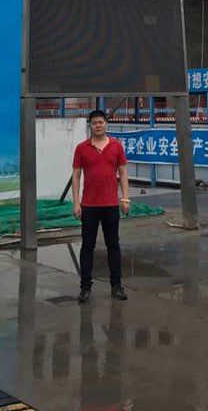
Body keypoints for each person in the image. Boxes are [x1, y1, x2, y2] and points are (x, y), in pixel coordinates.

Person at [72, 109, 130, 303]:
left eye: (100, 122)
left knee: (113, 245)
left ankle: (117, 286)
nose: (97, 125)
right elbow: (76, 176)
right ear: (90, 125)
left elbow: (123, 173)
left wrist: (125, 199)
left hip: (111, 204)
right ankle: (85, 287)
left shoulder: (116, 146)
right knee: (87, 246)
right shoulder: (82, 148)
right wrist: (76, 202)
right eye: (94, 123)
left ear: (106, 124)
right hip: (89, 206)